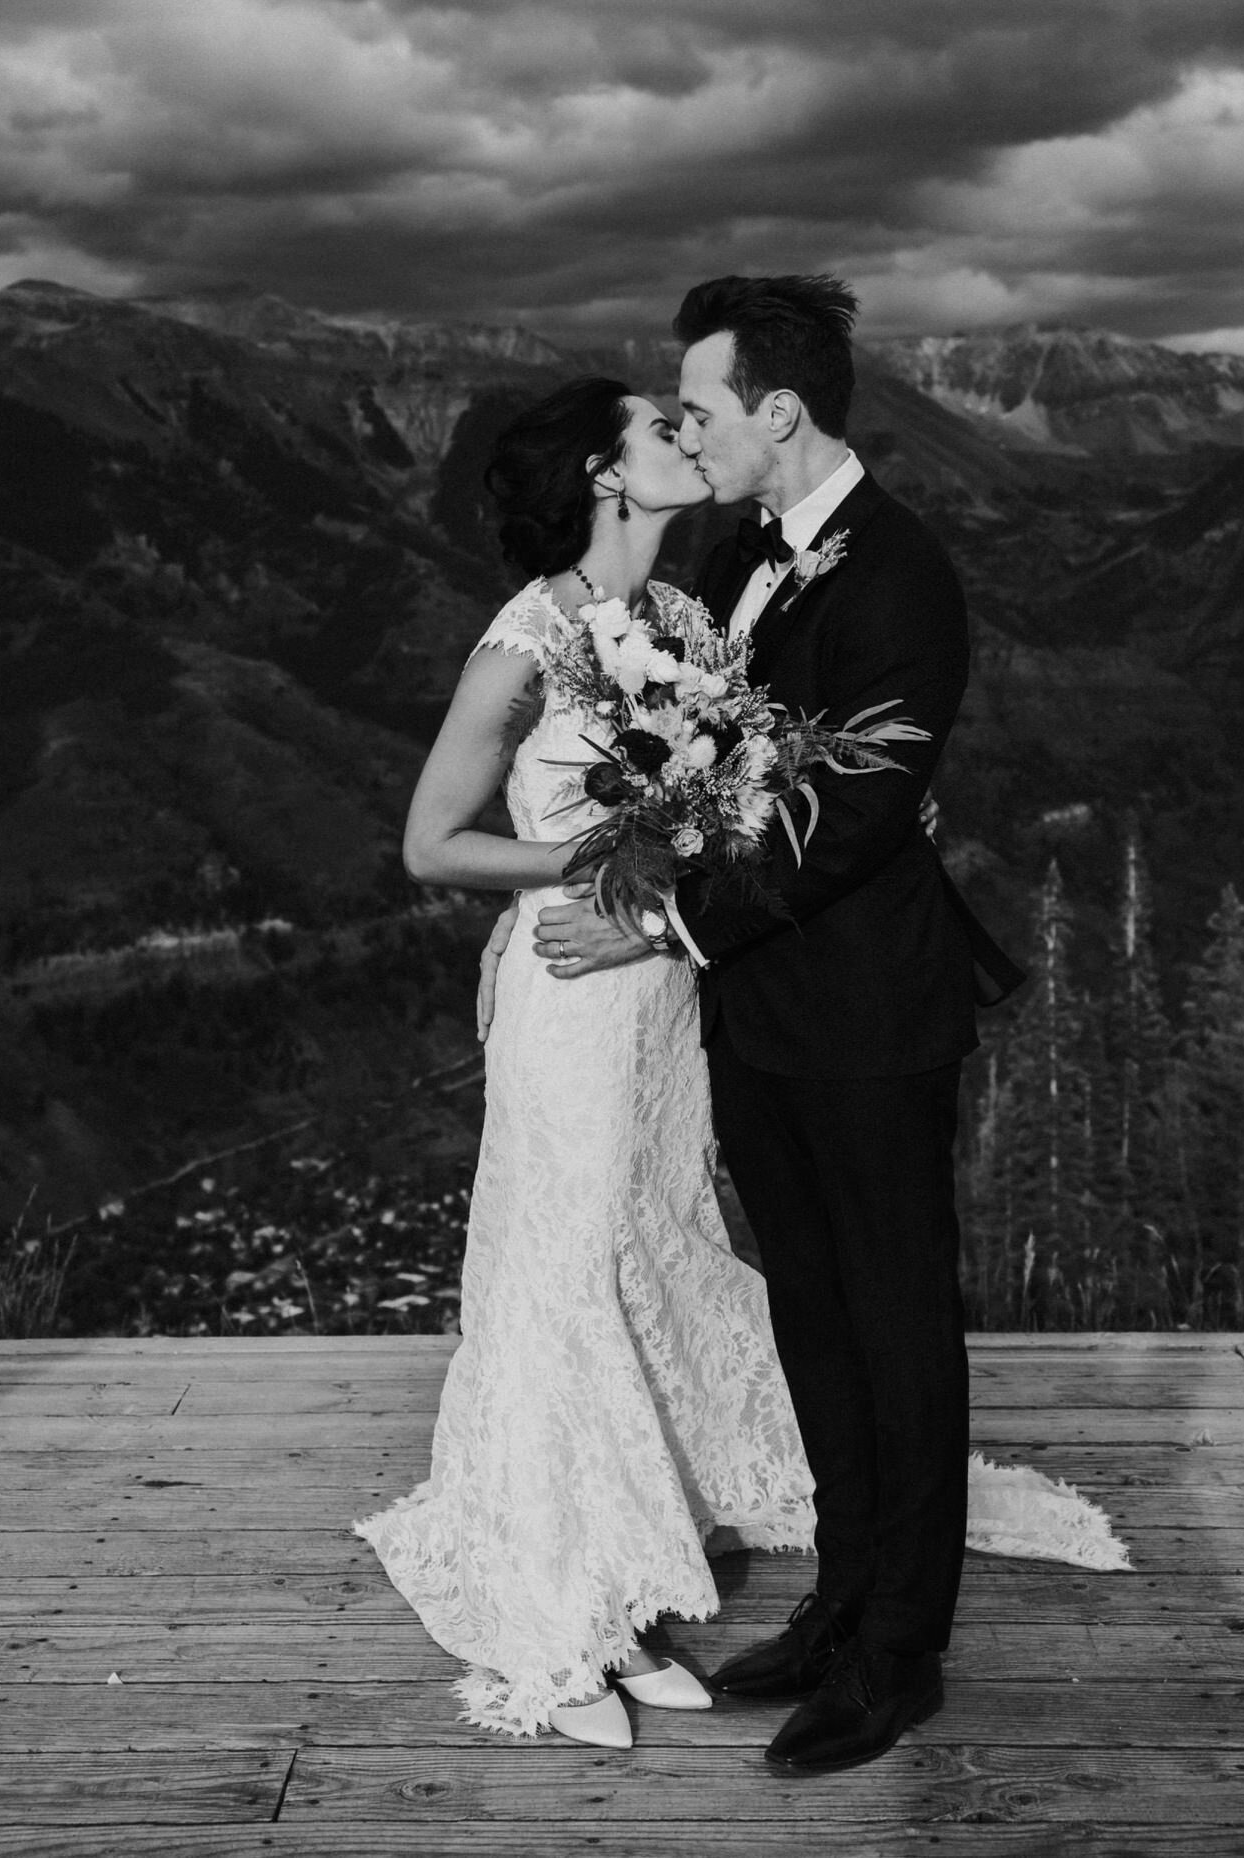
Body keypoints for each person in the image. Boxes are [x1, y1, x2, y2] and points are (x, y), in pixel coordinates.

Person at [525, 275, 1025, 1775]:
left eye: (702, 406)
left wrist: (662, 921)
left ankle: (898, 1653)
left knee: (898, 1320)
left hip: (872, 1014)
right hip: (759, 1018)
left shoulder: (903, 578)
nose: (686, 426)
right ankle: (840, 1597)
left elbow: (853, 818)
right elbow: (707, 747)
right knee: (810, 1310)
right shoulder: (743, 544)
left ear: (781, 413)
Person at [353, 376, 818, 1749]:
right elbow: (432, 842)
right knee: (564, 1263)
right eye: (661, 429)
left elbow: (735, 804)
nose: (688, 435)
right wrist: (592, 857)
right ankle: (571, 1605)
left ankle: (637, 1570)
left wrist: (702, 839)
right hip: (571, 989)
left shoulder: (685, 624)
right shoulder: (529, 638)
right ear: (607, 481)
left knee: (642, 1236)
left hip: (664, 989)